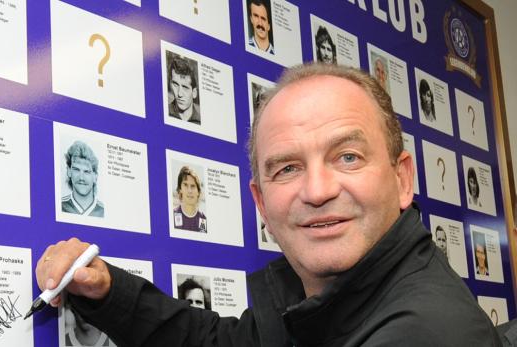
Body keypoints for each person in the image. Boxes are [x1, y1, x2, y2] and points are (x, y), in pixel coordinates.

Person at [35, 63, 500, 346]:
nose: (317, 190)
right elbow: (216, 343)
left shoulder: (421, 334)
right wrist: (107, 290)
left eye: (347, 157)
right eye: (287, 168)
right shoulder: (329, 306)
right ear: (260, 201)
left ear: (402, 180)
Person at [61, 141, 105, 217]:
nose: (81, 178)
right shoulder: (60, 206)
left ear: (95, 176)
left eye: (87, 172)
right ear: (69, 171)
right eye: (76, 170)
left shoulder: (103, 210)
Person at [172, 166, 207, 233]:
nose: (189, 191)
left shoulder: (203, 219)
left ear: (198, 192)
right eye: (185, 185)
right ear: (180, 189)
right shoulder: (172, 216)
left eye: (193, 186)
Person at [168, 56, 201, 125]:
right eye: (175, 84)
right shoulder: (165, 112)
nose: (179, 94)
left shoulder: (200, 120)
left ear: (194, 93)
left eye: (185, 87)